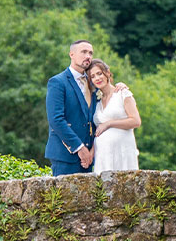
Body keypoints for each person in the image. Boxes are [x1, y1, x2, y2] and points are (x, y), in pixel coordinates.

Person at [45, 40, 98, 176]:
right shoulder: (57, 82)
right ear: (71, 54)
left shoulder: (93, 83)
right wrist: (79, 148)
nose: (88, 56)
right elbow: (56, 120)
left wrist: (120, 87)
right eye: (84, 52)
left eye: (90, 53)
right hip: (65, 156)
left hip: (90, 158)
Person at [87, 59, 140, 174]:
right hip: (103, 155)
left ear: (107, 72)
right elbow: (98, 131)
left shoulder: (122, 93)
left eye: (99, 73)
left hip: (122, 151)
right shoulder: (97, 101)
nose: (97, 78)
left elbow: (136, 121)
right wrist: (92, 150)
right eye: (93, 76)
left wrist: (109, 123)